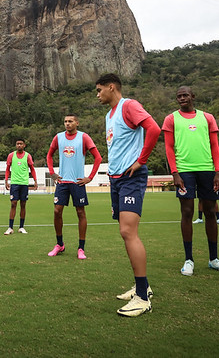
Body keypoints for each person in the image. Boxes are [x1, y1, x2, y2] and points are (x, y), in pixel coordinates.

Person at [95, 73, 161, 318]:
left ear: (112, 87)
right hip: (116, 179)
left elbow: (153, 129)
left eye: (100, 89)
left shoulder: (129, 106)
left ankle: (142, 298)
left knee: (128, 231)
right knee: (125, 232)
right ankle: (143, 285)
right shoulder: (108, 116)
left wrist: (141, 161)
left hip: (131, 176)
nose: (98, 94)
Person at [162, 86, 219, 278]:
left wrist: (218, 171)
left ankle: (214, 259)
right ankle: (188, 260)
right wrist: (175, 173)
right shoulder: (171, 119)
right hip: (184, 171)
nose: (182, 98)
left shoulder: (207, 117)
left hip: (208, 170)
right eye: (178, 96)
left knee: (210, 211)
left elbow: (214, 146)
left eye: (185, 95)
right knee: (187, 212)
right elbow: (169, 148)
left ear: (193, 96)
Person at [45, 114, 102, 260]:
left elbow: (98, 157)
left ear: (77, 122)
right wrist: (52, 173)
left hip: (77, 182)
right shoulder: (58, 137)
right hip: (62, 182)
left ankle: (81, 248)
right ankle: (59, 244)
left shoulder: (84, 137)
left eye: (70, 121)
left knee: (80, 212)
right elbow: (49, 155)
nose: (67, 124)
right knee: (57, 211)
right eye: (65, 121)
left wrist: (90, 177)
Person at [3, 138, 39, 235]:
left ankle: (21, 227)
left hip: (24, 183)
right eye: (17, 143)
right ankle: (10, 227)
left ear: (24, 145)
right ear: (16, 145)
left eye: (21, 144)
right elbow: (7, 169)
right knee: (13, 204)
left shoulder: (27, 156)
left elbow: (32, 169)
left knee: (23, 204)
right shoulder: (11, 155)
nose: (19, 145)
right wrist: (6, 181)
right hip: (14, 183)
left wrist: (35, 181)